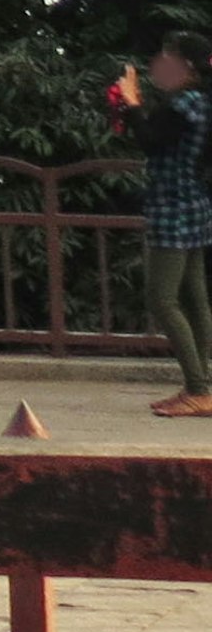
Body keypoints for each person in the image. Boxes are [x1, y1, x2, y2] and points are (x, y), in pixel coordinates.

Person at [109, 32, 212, 416]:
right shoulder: (199, 103)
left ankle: (199, 388)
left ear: (184, 66)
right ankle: (198, 386)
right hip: (196, 202)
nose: (159, 64)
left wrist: (132, 101)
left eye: (166, 57)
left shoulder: (180, 107)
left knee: (162, 299)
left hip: (172, 208)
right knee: (194, 298)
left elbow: (151, 141)